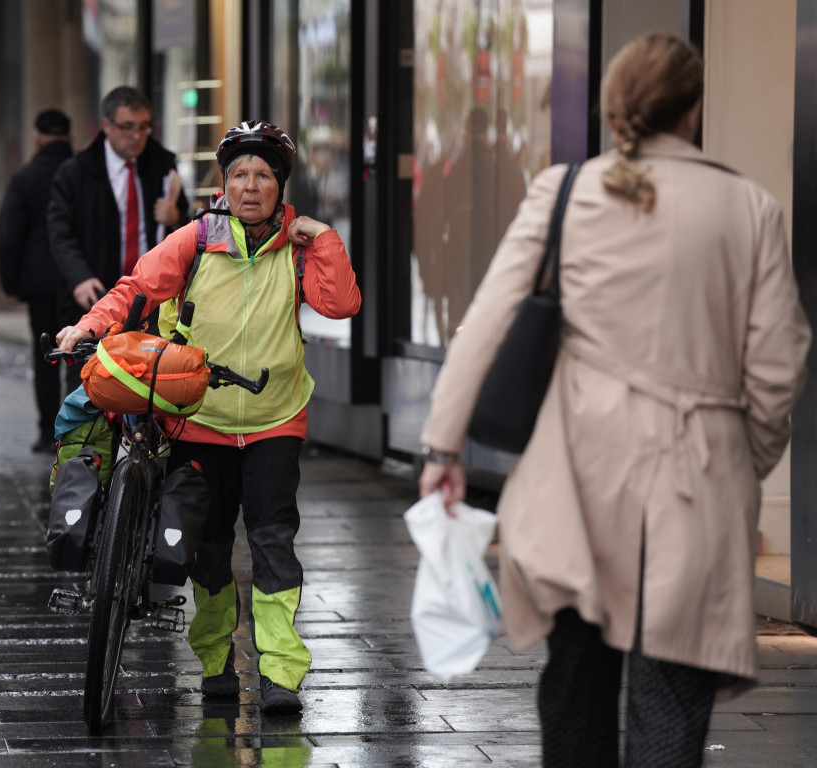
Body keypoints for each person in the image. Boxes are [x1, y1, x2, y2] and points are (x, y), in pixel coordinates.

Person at [417, 33, 810, 767]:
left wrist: (444, 447)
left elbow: (489, 322)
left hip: (575, 480)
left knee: (574, 688)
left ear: (613, 108)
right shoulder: (748, 207)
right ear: (694, 109)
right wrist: (738, 457)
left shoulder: (564, 193)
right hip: (697, 484)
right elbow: (779, 366)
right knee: (671, 698)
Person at [56, 121, 362, 714]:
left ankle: (279, 672)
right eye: (240, 175)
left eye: (264, 176)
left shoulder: (298, 250)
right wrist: (90, 326)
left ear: (280, 187)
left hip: (275, 418)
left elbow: (341, 303)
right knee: (211, 547)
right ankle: (218, 659)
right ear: (225, 185)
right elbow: (135, 289)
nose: (251, 186)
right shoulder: (196, 240)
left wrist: (323, 236)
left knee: (275, 542)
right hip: (197, 416)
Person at [47, 86, 191, 329]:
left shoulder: (162, 164)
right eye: (127, 127)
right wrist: (79, 278)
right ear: (107, 125)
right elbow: (60, 233)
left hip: (151, 298)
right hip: (95, 294)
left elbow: (187, 227)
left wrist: (176, 217)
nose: (137, 136)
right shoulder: (75, 172)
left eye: (144, 127)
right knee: (91, 366)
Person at [0, 108, 76, 453]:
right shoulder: (82, 174)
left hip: (41, 283)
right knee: (80, 354)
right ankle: (78, 429)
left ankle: (48, 431)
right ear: (69, 138)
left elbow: (9, 234)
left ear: (38, 138)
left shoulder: (26, 178)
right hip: (78, 280)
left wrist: (10, 282)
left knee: (46, 357)